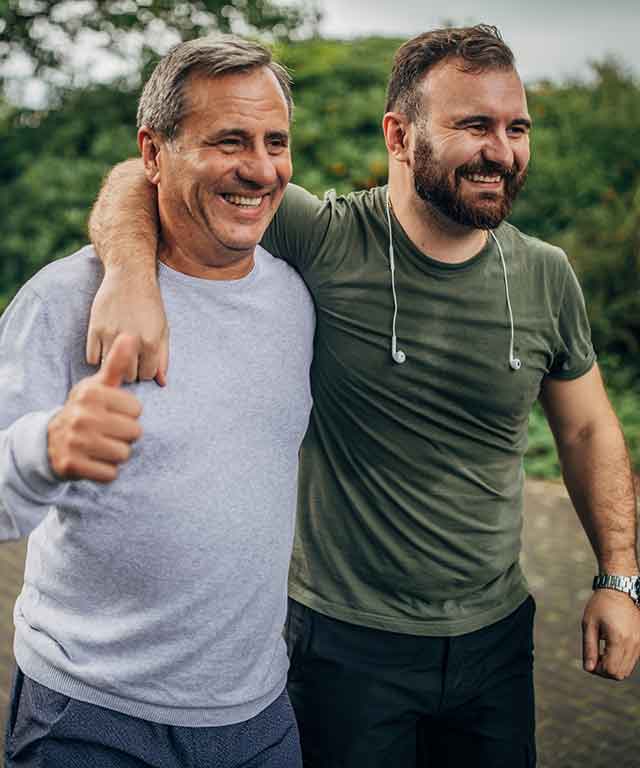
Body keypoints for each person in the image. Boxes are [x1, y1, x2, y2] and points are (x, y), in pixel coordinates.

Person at [84, 25, 640, 768]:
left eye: (516, 128)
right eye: (474, 125)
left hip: (497, 639)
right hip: (343, 645)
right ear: (400, 134)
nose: (502, 151)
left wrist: (618, 576)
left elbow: (587, 430)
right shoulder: (325, 238)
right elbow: (141, 173)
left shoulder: (546, 274)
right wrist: (128, 275)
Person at [0, 35, 315, 768]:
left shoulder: (299, 299)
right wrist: (44, 448)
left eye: (276, 142)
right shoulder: (64, 299)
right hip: (91, 714)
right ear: (152, 153)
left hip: (260, 716)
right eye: (230, 141)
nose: (261, 169)